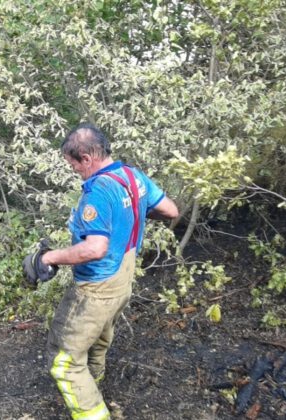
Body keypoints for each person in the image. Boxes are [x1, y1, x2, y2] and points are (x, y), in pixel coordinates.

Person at [23, 123, 178, 420]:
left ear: (86, 157)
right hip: (123, 282)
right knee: (97, 341)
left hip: (95, 288)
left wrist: (49, 258)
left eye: (74, 166)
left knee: (63, 362)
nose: (75, 172)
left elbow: (95, 248)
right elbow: (170, 210)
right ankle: (94, 389)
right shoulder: (133, 177)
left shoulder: (97, 193)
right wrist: (133, 211)